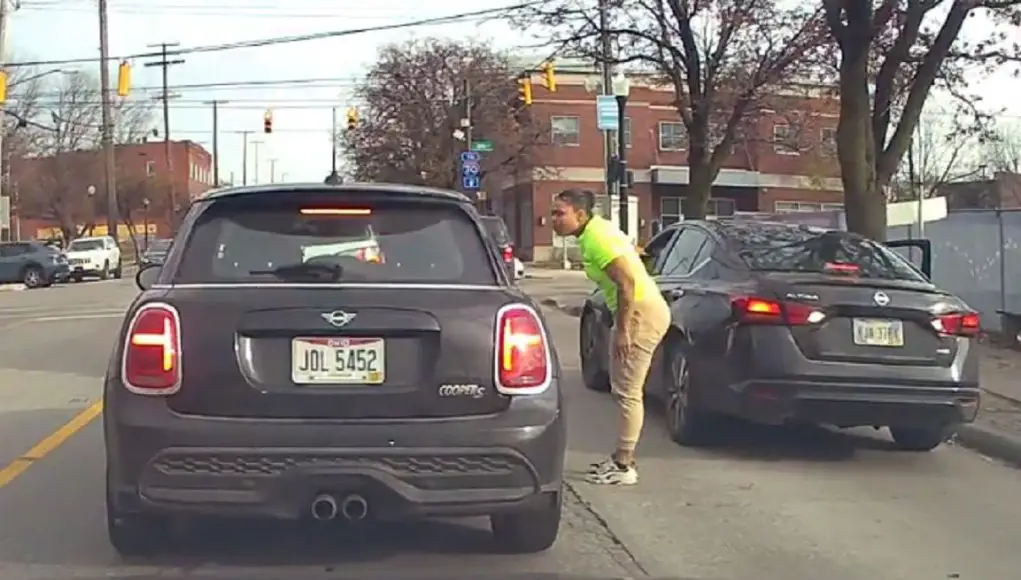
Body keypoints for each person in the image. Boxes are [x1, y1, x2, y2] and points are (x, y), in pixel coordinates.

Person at [551, 188, 671, 485]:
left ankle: (624, 465)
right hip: (641, 309)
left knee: (628, 391)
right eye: (553, 213)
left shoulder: (597, 238)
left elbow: (627, 285)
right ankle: (620, 457)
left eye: (559, 213)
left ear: (580, 214)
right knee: (622, 388)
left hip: (641, 312)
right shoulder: (596, 232)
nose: (553, 220)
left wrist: (624, 331)